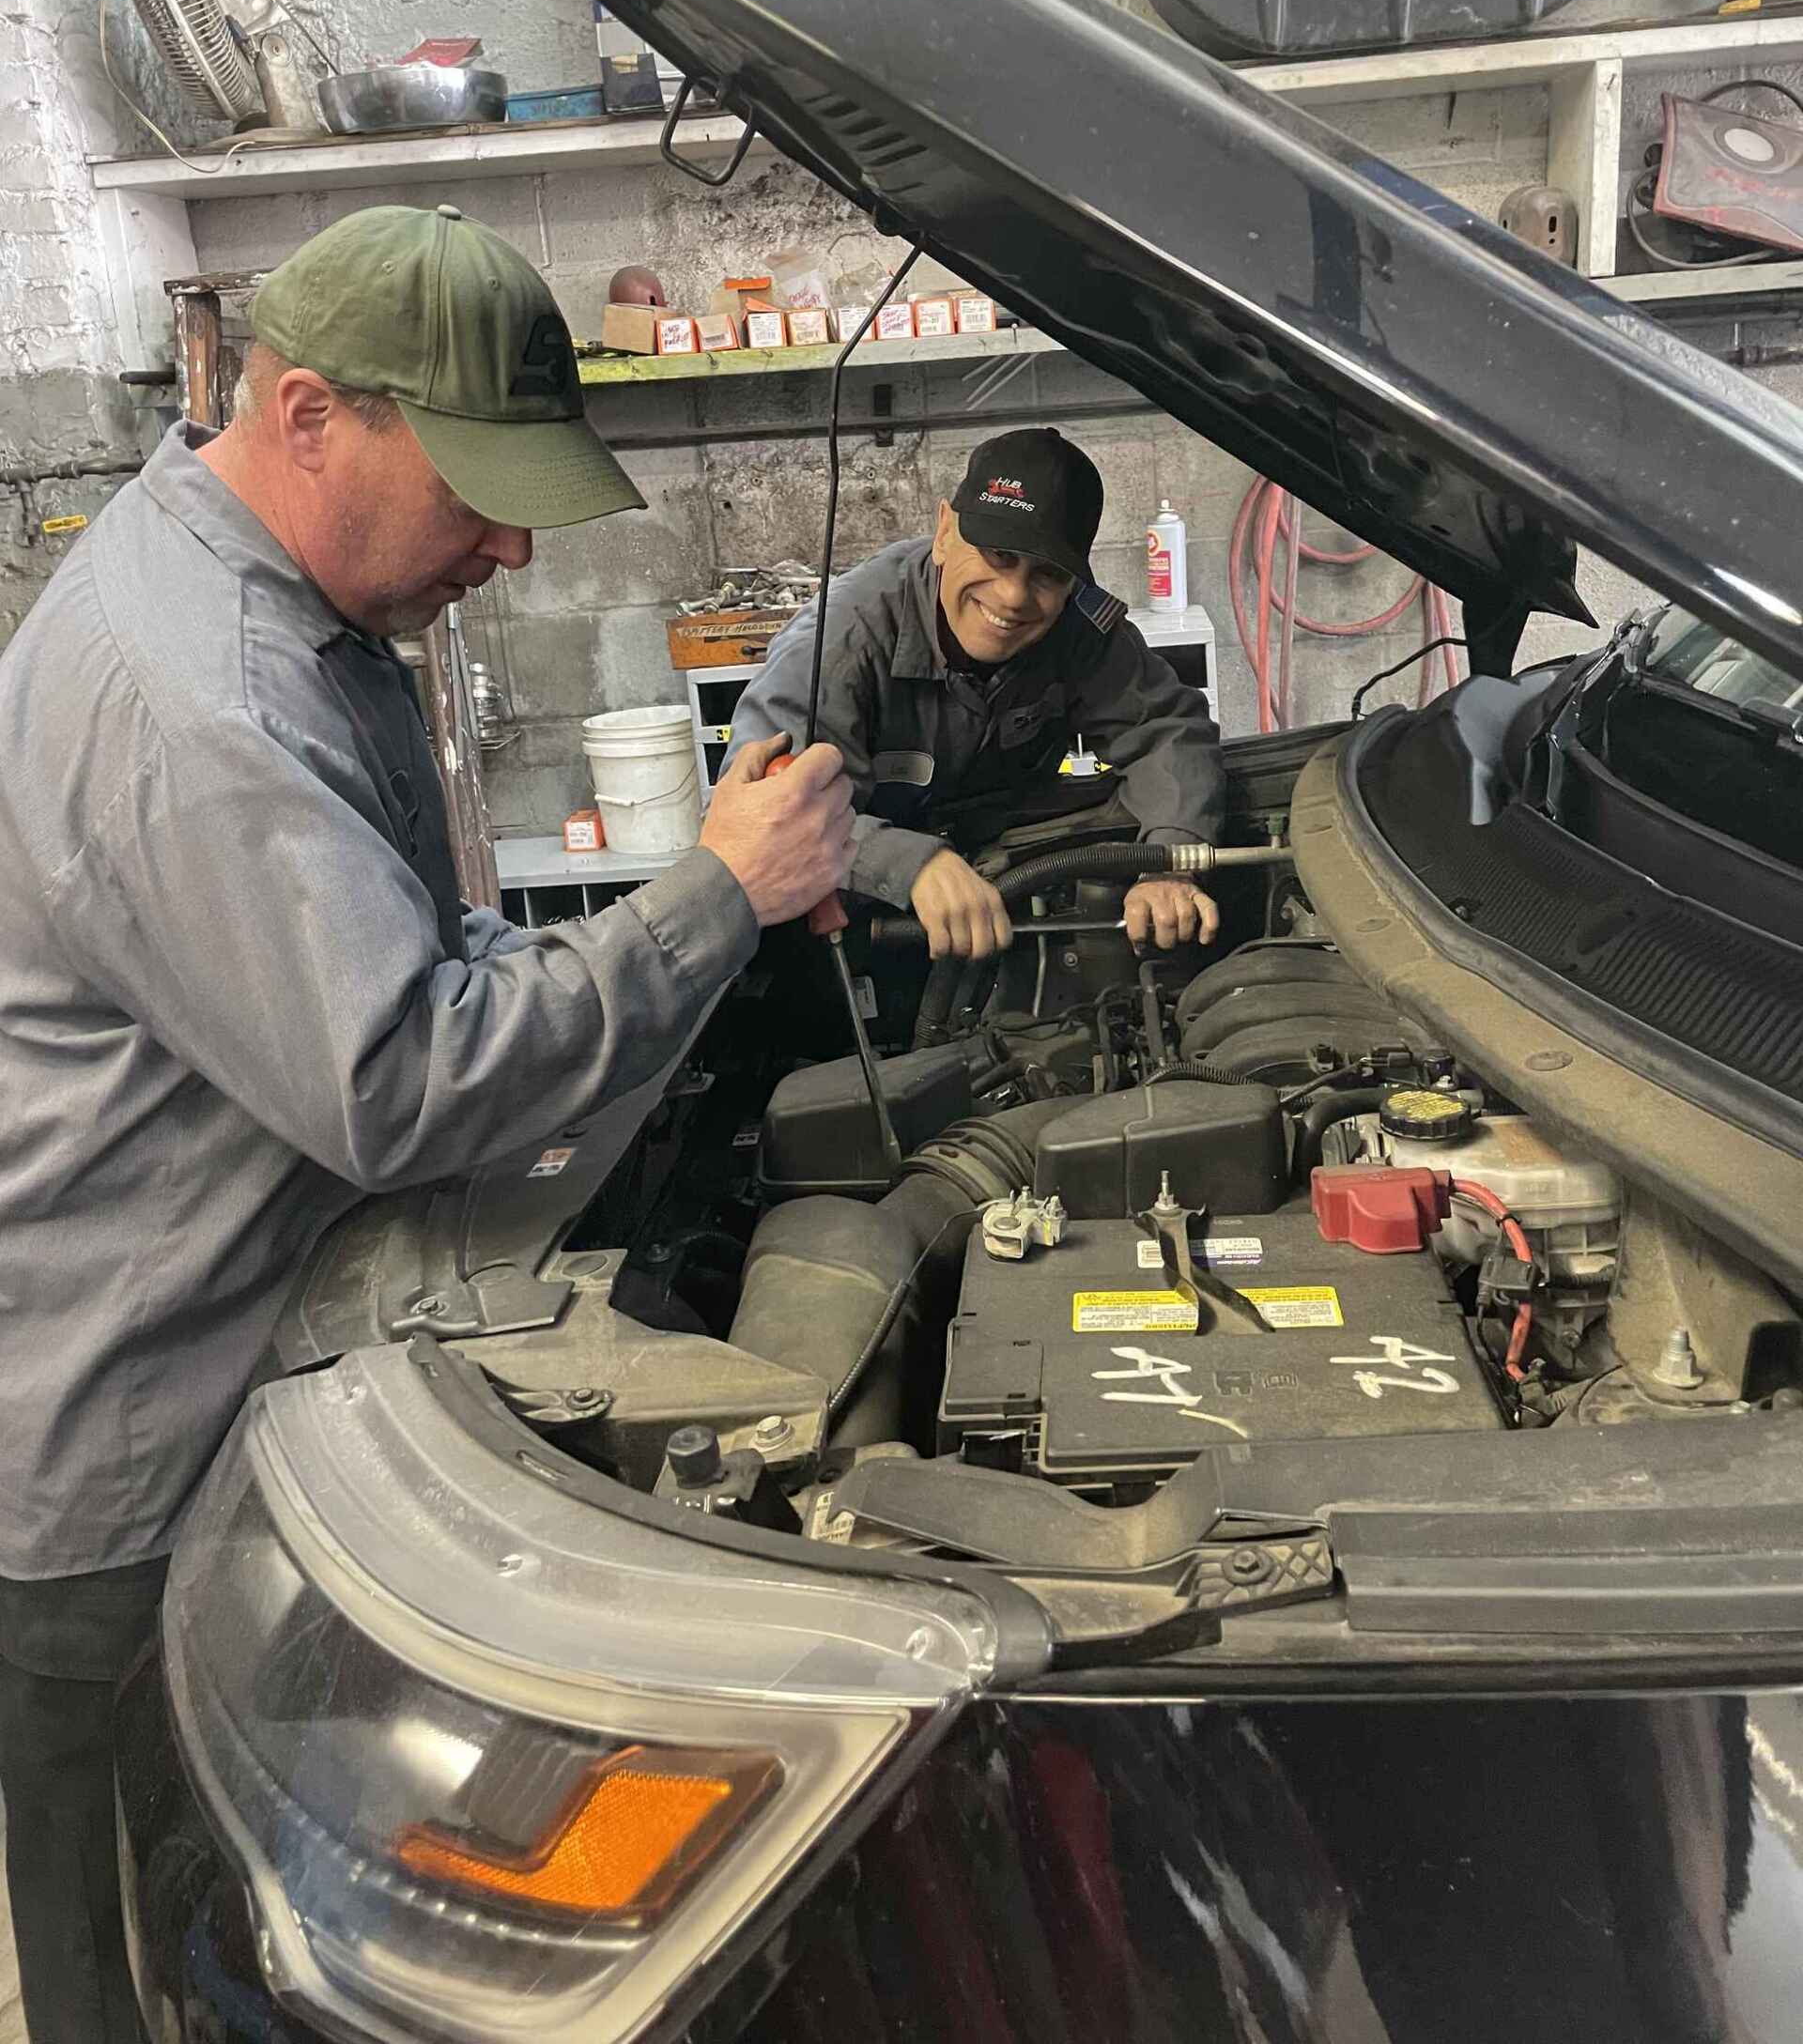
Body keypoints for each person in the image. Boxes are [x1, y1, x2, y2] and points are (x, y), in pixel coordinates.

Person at [0, 204, 853, 2044]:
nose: (512, 540)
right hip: (121, 1465)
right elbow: (404, 1077)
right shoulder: (201, 699)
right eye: (473, 485)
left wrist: (684, 929)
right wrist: (707, 898)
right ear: (308, 413)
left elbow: (418, 945)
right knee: (141, 1967)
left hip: (219, 1371)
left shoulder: (291, 617)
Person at [726, 427, 1225, 959]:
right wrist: (905, 861)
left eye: (1047, 574)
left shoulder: (1080, 629)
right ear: (944, 532)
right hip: (858, 913)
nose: (1013, 597)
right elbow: (766, 805)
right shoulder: (841, 638)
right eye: (998, 556)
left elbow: (1168, 731)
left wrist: (1168, 864)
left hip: (1005, 883)